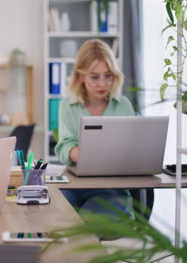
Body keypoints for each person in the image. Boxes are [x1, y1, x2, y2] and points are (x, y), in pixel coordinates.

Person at [54, 39, 134, 219]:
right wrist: (85, 153)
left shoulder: (122, 106)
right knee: (55, 219)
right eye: (94, 76)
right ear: (80, 76)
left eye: (108, 75)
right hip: (74, 185)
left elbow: (132, 149)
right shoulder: (68, 105)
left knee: (85, 227)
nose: (102, 83)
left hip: (111, 189)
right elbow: (64, 148)